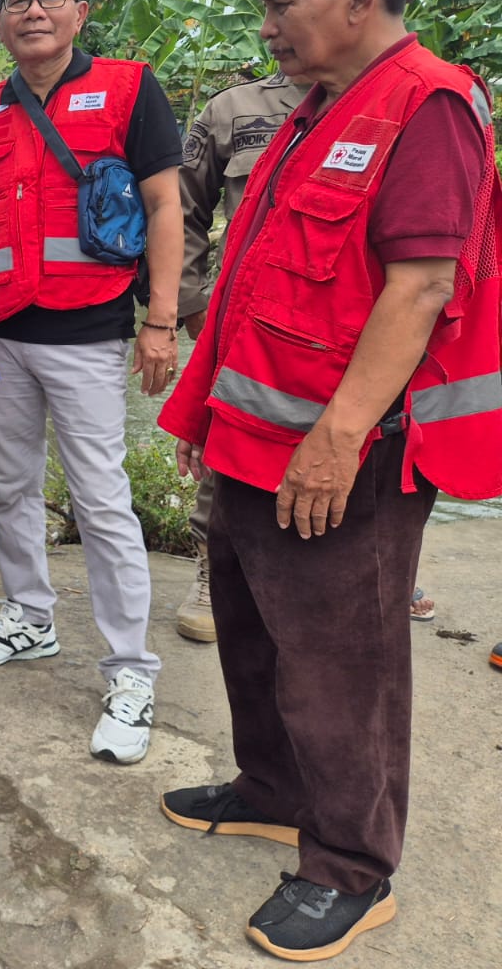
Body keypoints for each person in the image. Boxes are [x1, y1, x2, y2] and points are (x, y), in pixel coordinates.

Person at [157, 0, 500, 961]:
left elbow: (421, 285)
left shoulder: (428, 106)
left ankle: (353, 864)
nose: (266, 25)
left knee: (339, 660)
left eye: (281, 3)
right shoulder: (320, 105)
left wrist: (339, 435)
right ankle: (272, 787)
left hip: (344, 454)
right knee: (252, 625)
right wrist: (205, 411)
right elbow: (267, 279)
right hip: (253, 438)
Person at [0, 0, 183, 766]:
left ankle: (131, 671)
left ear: (79, 10)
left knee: (102, 502)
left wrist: (161, 320)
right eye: (18, 0)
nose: (34, 10)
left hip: (89, 331)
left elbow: (164, 204)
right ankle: (29, 618)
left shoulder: (129, 90)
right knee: (10, 489)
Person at [175, 70, 309, 641]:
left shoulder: (395, 95)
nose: (273, 24)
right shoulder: (234, 109)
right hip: (248, 315)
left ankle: (378, 565)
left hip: (355, 318)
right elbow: (182, 207)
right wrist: (192, 304)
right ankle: (214, 569)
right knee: (227, 436)